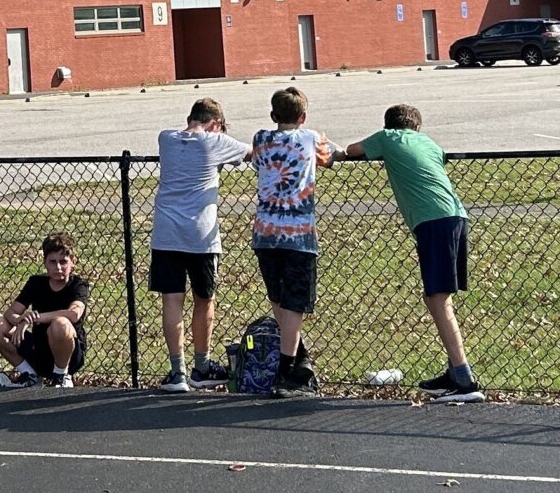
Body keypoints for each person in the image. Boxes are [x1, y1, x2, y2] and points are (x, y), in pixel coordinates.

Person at [344, 105, 483, 401]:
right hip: (456, 216)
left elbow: (351, 150)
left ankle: (464, 378)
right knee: (437, 297)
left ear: (389, 126)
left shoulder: (388, 137)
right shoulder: (428, 142)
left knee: (438, 299)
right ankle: (455, 371)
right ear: (417, 127)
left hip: (433, 221)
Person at [149, 99, 251, 392]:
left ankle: (177, 371)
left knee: (172, 300)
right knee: (204, 299)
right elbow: (252, 152)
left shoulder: (166, 138)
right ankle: (202, 366)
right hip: (200, 235)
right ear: (215, 124)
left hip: (166, 233)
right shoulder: (215, 141)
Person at [250, 86, 334, 396]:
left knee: (278, 297)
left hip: (266, 233)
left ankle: (300, 360)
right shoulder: (310, 138)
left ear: (273, 115)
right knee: (294, 302)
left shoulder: (260, 139)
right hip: (299, 235)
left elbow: (259, 162)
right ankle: (288, 370)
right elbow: (328, 157)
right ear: (303, 117)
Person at [0, 233, 90, 388]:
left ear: (73, 262)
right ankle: (29, 375)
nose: (58, 267)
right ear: (45, 263)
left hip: (68, 354)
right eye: (52, 262)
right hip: (39, 349)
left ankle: (61, 376)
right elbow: (10, 313)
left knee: (60, 323)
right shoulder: (36, 283)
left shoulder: (78, 285)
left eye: (63, 262)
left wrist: (36, 318)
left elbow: (74, 314)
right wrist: (21, 319)